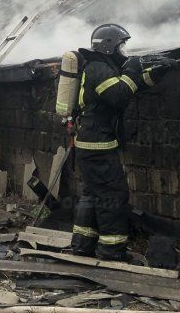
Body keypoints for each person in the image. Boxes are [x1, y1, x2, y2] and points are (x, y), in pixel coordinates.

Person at [71, 24, 174, 260]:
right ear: (109, 47)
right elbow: (118, 95)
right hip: (98, 146)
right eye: (121, 46)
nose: (124, 51)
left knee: (94, 193)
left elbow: (127, 88)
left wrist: (154, 75)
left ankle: (83, 243)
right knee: (113, 195)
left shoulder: (102, 68)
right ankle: (112, 250)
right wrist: (133, 70)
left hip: (91, 144)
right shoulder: (98, 68)